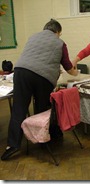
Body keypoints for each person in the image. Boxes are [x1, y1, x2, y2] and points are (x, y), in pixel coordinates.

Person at [1, 19, 78, 161]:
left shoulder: (33, 37)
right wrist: (76, 73)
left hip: (21, 72)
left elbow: (34, 58)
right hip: (43, 78)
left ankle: (12, 145)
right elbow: (68, 67)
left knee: (18, 109)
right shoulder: (60, 43)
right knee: (43, 109)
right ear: (57, 32)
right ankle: (43, 140)